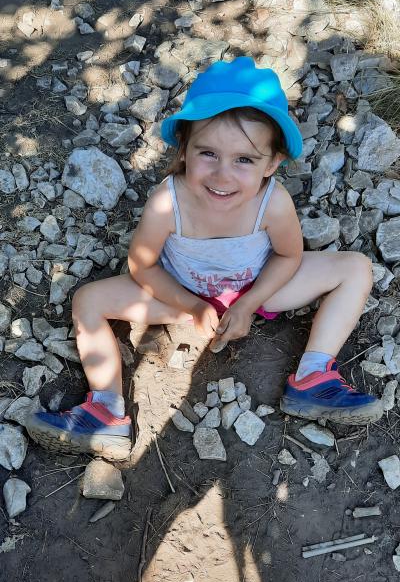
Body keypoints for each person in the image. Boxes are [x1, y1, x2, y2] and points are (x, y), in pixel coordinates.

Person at [25, 57, 382, 459]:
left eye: (244, 160)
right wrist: (192, 304)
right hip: (181, 292)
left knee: (355, 268)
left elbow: (288, 256)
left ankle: (313, 375)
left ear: (272, 163)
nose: (222, 175)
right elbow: (143, 265)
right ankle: (106, 412)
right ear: (185, 148)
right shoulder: (168, 202)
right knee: (87, 300)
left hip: (258, 289)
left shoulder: (273, 202)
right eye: (208, 153)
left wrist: (247, 304)